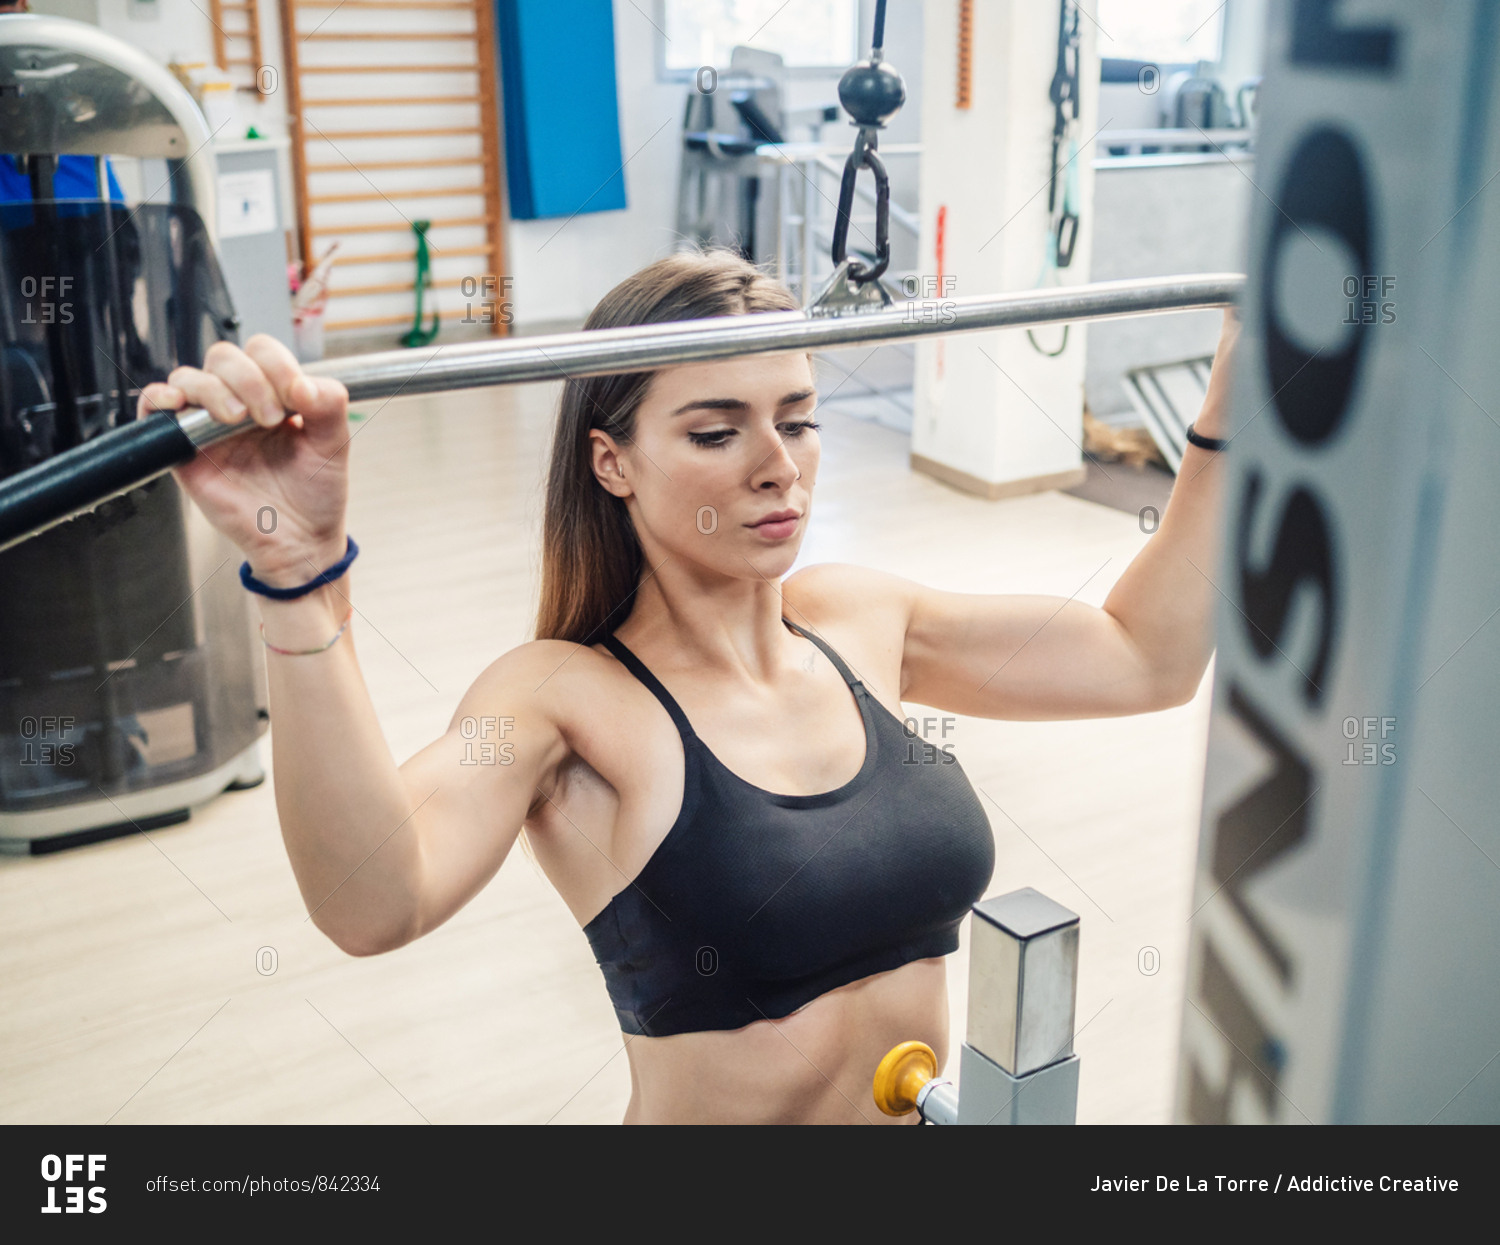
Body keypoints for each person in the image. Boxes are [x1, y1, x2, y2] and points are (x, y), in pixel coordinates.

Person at [143, 247, 1236, 1124]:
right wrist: (296, 573)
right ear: (613, 462)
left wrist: (1245, 392)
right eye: (716, 430)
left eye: (797, 417)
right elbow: (373, 900)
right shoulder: (563, 701)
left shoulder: (863, 617)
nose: (780, 465)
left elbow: (1147, 658)